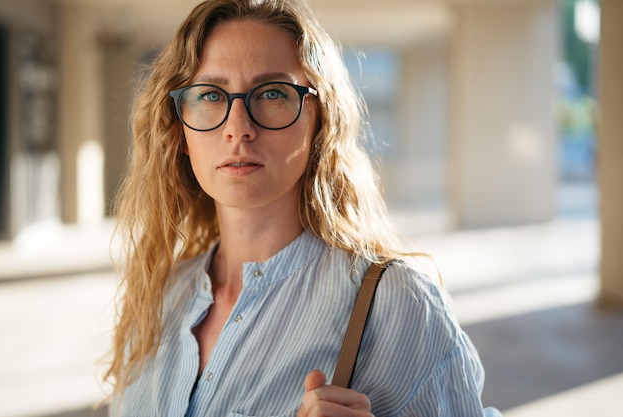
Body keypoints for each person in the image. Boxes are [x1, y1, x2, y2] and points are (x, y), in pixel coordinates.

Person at [104, 0, 502, 416]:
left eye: (273, 93)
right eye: (210, 95)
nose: (238, 127)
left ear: (320, 119)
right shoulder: (161, 296)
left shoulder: (396, 303)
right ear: (179, 128)